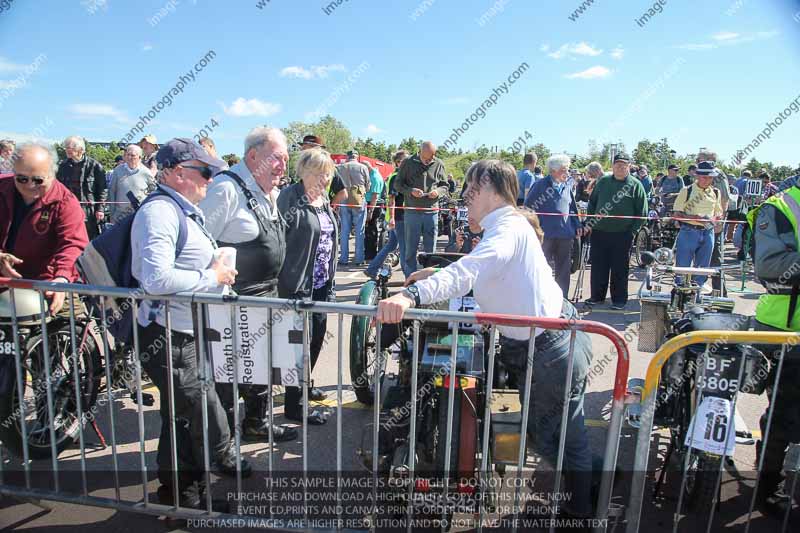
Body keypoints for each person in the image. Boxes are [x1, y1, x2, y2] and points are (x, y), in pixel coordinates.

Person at [377, 159, 595, 519]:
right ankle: (593, 484)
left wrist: (410, 297)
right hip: (539, 345)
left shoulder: (507, 228)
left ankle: (581, 513)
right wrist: (436, 270)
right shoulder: (505, 227)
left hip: (550, 348)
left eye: (471, 190)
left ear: (491, 189)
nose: (465, 197)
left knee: (562, 441)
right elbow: (486, 270)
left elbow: (473, 270)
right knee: (547, 438)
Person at [130, 138, 246, 508]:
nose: (211, 180)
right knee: (196, 421)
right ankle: (189, 501)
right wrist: (213, 277)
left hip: (181, 333)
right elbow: (156, 279)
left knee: (181, 418)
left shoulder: (179, 209)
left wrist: (215, 274)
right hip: (168, 335)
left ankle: (178, 496)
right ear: (178, 174)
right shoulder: (161, 212)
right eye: (205, 172)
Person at [200, 126, 297, 443]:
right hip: (232, 305)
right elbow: (198, 244)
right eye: (278, 158)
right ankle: (223, 447)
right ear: (253, 156)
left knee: (262, 371)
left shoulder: (268, 189)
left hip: (265, 298)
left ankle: (257, 423)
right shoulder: (226, 190)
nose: (283, 166)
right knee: (227, 382)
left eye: (286, 159)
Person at [748, 176, 800, 517]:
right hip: (785, 329)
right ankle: (768, 490)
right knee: (785, 417)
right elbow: (768, 266)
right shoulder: (781, 206)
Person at [277, 148, 340, 425]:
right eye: (319, 173)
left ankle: (304, 384)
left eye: (327, 174)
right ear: (303, 171)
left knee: (316, 336)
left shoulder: (322, 198)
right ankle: (295, 405)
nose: (325, 179)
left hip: (322, 284)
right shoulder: (289, 197)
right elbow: (278, 240)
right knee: (298, 344)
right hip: (297, 284)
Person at [0, 142, 88, 315]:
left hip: (47, 282)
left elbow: (73, 244)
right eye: (22, 179)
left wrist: (62, 279)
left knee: (75, 325)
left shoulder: (66, 202)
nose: (30, 185)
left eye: (38, 180)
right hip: (4, 282)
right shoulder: (2, 188)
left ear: (52, 175)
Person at [585, 153, 647, 310]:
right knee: (599, 266)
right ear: (612, 166)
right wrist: (589, 223)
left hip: (623, 234)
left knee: (620, 268)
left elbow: (642, 212)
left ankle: (619, 300)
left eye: (623, 164)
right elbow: (592, 204)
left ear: (629, 166)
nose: (620, 167)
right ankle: (597, 297)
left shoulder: (636, 185)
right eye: (617, 164)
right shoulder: (603, 182)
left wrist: (632, 231)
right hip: (599, 232)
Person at [525, 154, 582, 298]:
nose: (567, 173)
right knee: (542, 268)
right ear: (554, 171)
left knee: (564, 269)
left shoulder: (567, 184)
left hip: (565, 234)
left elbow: (572, 208)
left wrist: (577, 224)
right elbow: (528, 209)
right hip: (545, 235)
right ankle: (540, 297)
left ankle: (562, 299)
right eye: (565, 170)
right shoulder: (540, 185)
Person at [393, 141, 448, 273]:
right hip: (412, 213)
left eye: (431, 158)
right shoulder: (407, 163)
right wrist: (410, 191)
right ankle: (410, 280)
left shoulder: (439, 164)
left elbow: (445, 186)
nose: (428, 161)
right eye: (425, 158)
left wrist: (438, 192)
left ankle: (430, 281)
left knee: (431, 252)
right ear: (419, 152)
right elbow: (398, 184)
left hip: (431, 212)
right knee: (410, 250)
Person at [671, 161, 723, 289]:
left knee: (703, 269)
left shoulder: (716, 192)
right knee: (682, 268)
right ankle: (680, 293)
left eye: (710, 177)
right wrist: (695, 218)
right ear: (697, 176)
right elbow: (677, 214)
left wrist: (714, 220)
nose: (707, 180)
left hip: (708, 232)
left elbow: (719, 213)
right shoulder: (686, 191)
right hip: (689, 231)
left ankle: (696, 293)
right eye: (705, 177)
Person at [365, 150, 411, 278]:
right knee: (404, 249)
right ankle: (409, 277)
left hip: (396, 216)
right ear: (398, 163)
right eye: (405, 161)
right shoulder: (396, 177)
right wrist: (392, 218)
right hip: (398, 217)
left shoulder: (399, 176)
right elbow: (392, 198)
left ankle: (372, 268)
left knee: (391, 245)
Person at [56, 136, 107, 240]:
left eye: (69, 147)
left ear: (80, 150)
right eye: (66, 147)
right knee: (70, 236)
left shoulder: (95, 166)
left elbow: (102, 189)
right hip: (68, 208)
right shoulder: (62, 166)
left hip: (89, 210)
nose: (66, 150)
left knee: (90, 238)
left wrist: (100, 209)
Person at [697, 151, 730, 293]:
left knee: (715, 259)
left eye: (700, 159)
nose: (697, 160)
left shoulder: (718, 175)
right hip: (697, 225)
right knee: (699, 259)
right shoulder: (699, 173)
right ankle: (697, 289)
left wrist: (718, 222)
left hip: (712, 225)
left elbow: (724, 199)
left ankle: (720, 294)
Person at [336, 150, 370, 266]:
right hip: (358, 199)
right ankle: (359, 259)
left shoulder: (340, 167)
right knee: (360, 230)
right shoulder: (362, 167)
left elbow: (336, 184)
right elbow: (368, 184)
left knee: (345, 230)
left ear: (347, 157)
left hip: (343, 198)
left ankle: (343, 258)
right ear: (357, 157)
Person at [107, 144, 156, 224]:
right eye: (127, 155)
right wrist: (112, 214)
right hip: (120, 216)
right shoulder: (118, 171)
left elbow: (153, 192)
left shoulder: (146, 172)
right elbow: (112, 191)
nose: (129, 158)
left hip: (140, 215)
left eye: (133, 155)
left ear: (139, 157)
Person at [364, 160, 386, 260]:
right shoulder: (373, 175)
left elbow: (375, 196)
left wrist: (370, 212)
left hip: (374, 205)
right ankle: (369, 252)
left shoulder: (375, 177)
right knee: (369, 230)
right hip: (371, 204)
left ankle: (371, 254)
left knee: (371, 230)